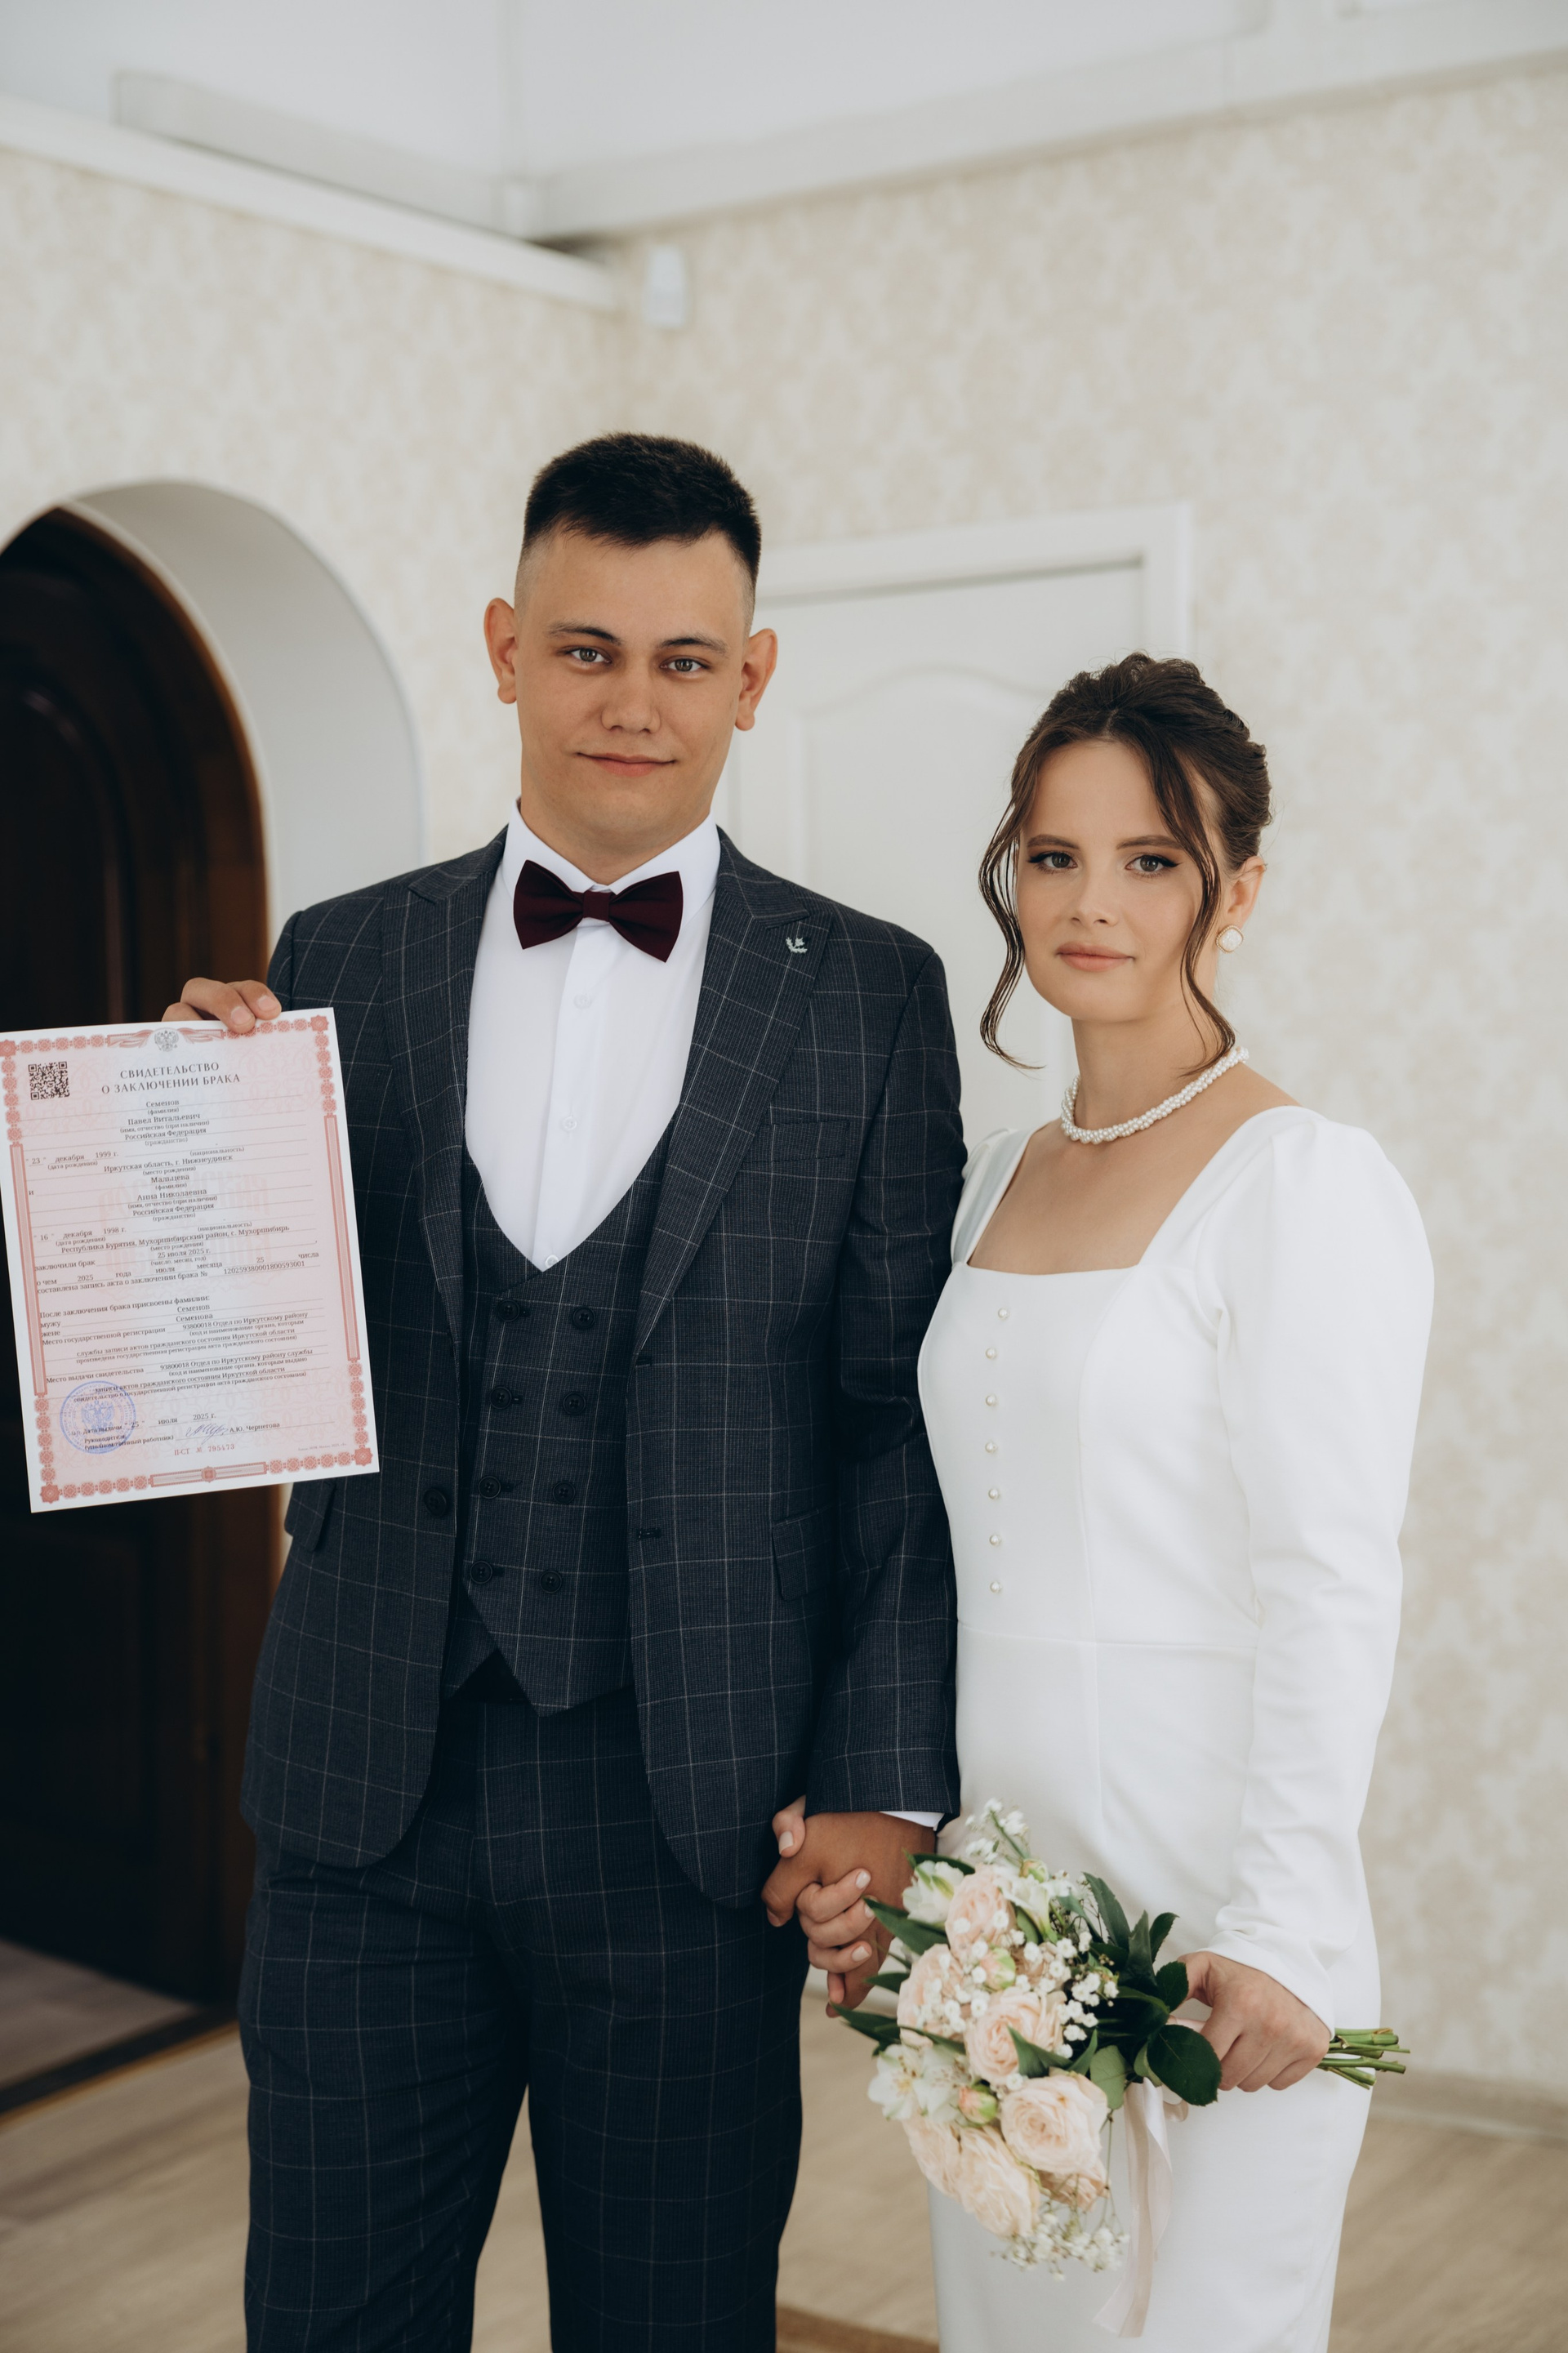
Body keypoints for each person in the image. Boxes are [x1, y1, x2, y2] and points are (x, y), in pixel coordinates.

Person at [163, 433, 964, 2352]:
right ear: (507, 648)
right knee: (333, 2319)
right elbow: (253, 1334)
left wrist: (882, 1775)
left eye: (685, 660)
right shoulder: (339, 953)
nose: (632, 702)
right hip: (366, 1792)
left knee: (670, 2320)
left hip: (694, 1812)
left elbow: (896, 1423)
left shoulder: (868, 995)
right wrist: (180, 1133)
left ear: (751, 679)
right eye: (587, 648)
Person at [776, 654, 1432, 2350]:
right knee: (1015, 2320)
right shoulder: (996, 1174)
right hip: (1004, 1908)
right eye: (1055, 855)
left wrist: (1283, 1932)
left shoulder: (1301, 1184)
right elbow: (936, 1533)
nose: (1091, 902)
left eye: (1151, 859)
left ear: (1239, 890)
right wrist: (903, 1832)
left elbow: (1332, 1581)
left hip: (1216, 1897)